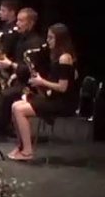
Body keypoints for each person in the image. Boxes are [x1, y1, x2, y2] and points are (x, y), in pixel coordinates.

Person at [7, 24, 78, 160]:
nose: (48, 41)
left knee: (19, 110)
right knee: (15, 105)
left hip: (63, 103)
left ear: (60, 39)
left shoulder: (65, 58)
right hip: (55, 99)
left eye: (51, 38)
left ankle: (27, 151)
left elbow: (62, 88)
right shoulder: (57, 56)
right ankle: (21, 145)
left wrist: (41, 82)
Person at [0, 7, 46, 138]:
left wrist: (11, 65)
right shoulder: (21, 39)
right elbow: (19, 62)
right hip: (20, 78)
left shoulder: (36, 43)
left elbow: (30, 69)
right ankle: (5, 123)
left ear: (31, 23)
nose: (17, 24)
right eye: (18, 20)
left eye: (21, 21)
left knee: (6, 95)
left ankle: (2, 129)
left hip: (34, 84)